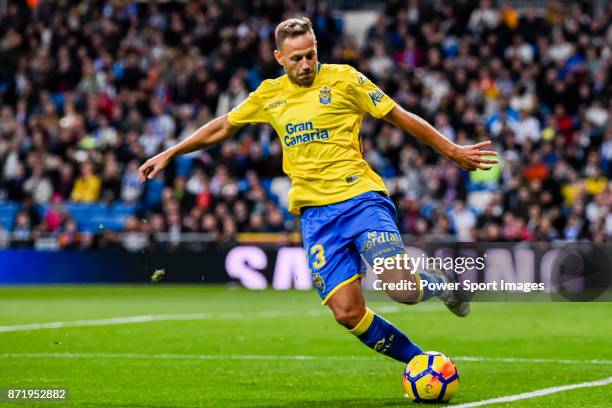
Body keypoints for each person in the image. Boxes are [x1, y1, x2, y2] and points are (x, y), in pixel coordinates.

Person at [139, 17, 498, 365]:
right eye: (297, 58)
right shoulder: (269, 95)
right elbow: (222, 128)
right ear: (279, 58)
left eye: (311, 54)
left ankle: (443, 283)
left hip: (361, 201)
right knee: (348, 313)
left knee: (402, 290)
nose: (307, 64)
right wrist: (171, 152)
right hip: (317, 217)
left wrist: (453, 151)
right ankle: (420, 362)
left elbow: (399, 115)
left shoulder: (344, 79)